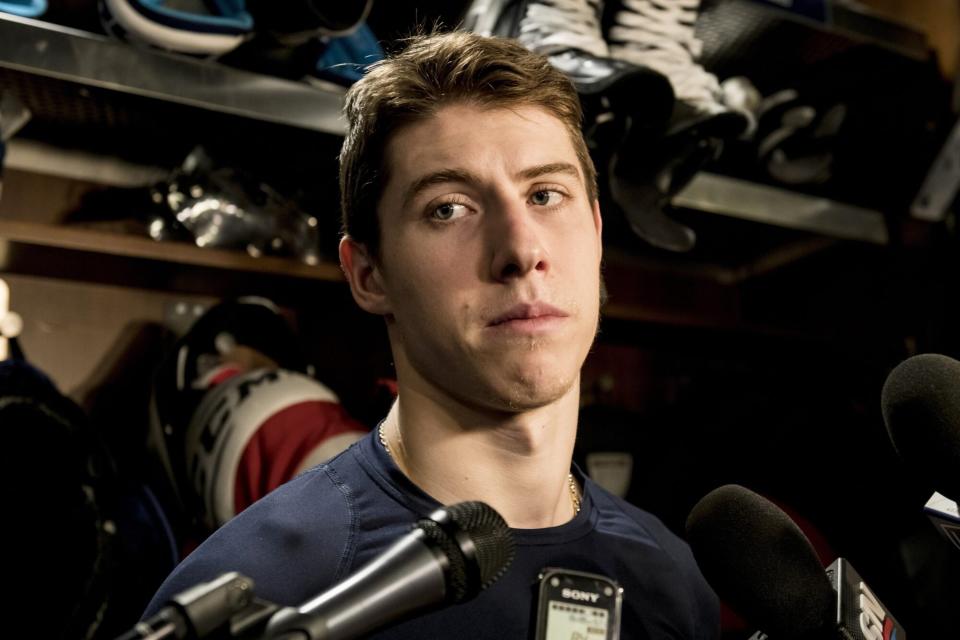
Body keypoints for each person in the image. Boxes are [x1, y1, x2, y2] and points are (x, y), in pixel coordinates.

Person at [144, 30, 719, 638]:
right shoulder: (264, 592)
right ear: (368, 274)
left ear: (597, 234)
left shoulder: (674, 579)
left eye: (546, 195)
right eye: (449, 208)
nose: (522, 250)